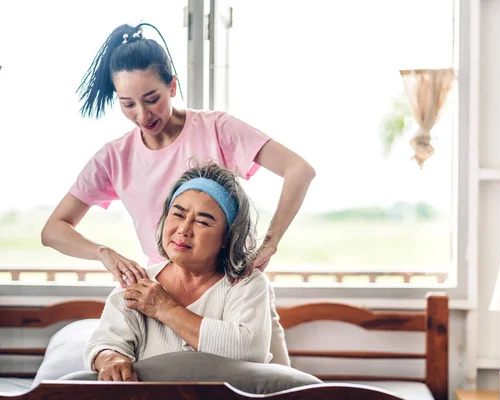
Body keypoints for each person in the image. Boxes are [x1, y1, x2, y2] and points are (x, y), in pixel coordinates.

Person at [41, 22, 315, 366]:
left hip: (230, 296)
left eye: (152, 99)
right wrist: (103, 253)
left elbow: (299, 170)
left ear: (172, 86)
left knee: (270, 383)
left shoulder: (216, 128)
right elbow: (53, 230)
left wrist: (271, 241)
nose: (142, 115)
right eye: (128, 104)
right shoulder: (115, 157)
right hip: (162, 297)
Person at [85, 161, 272, 381]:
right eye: (178, 215)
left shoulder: (247, 284)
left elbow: (249, 349)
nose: (183, 230)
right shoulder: (137, 283)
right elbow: (104, 344)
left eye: (202, 222)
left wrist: (165, 308)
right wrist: (110, 359)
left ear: (227, 237)